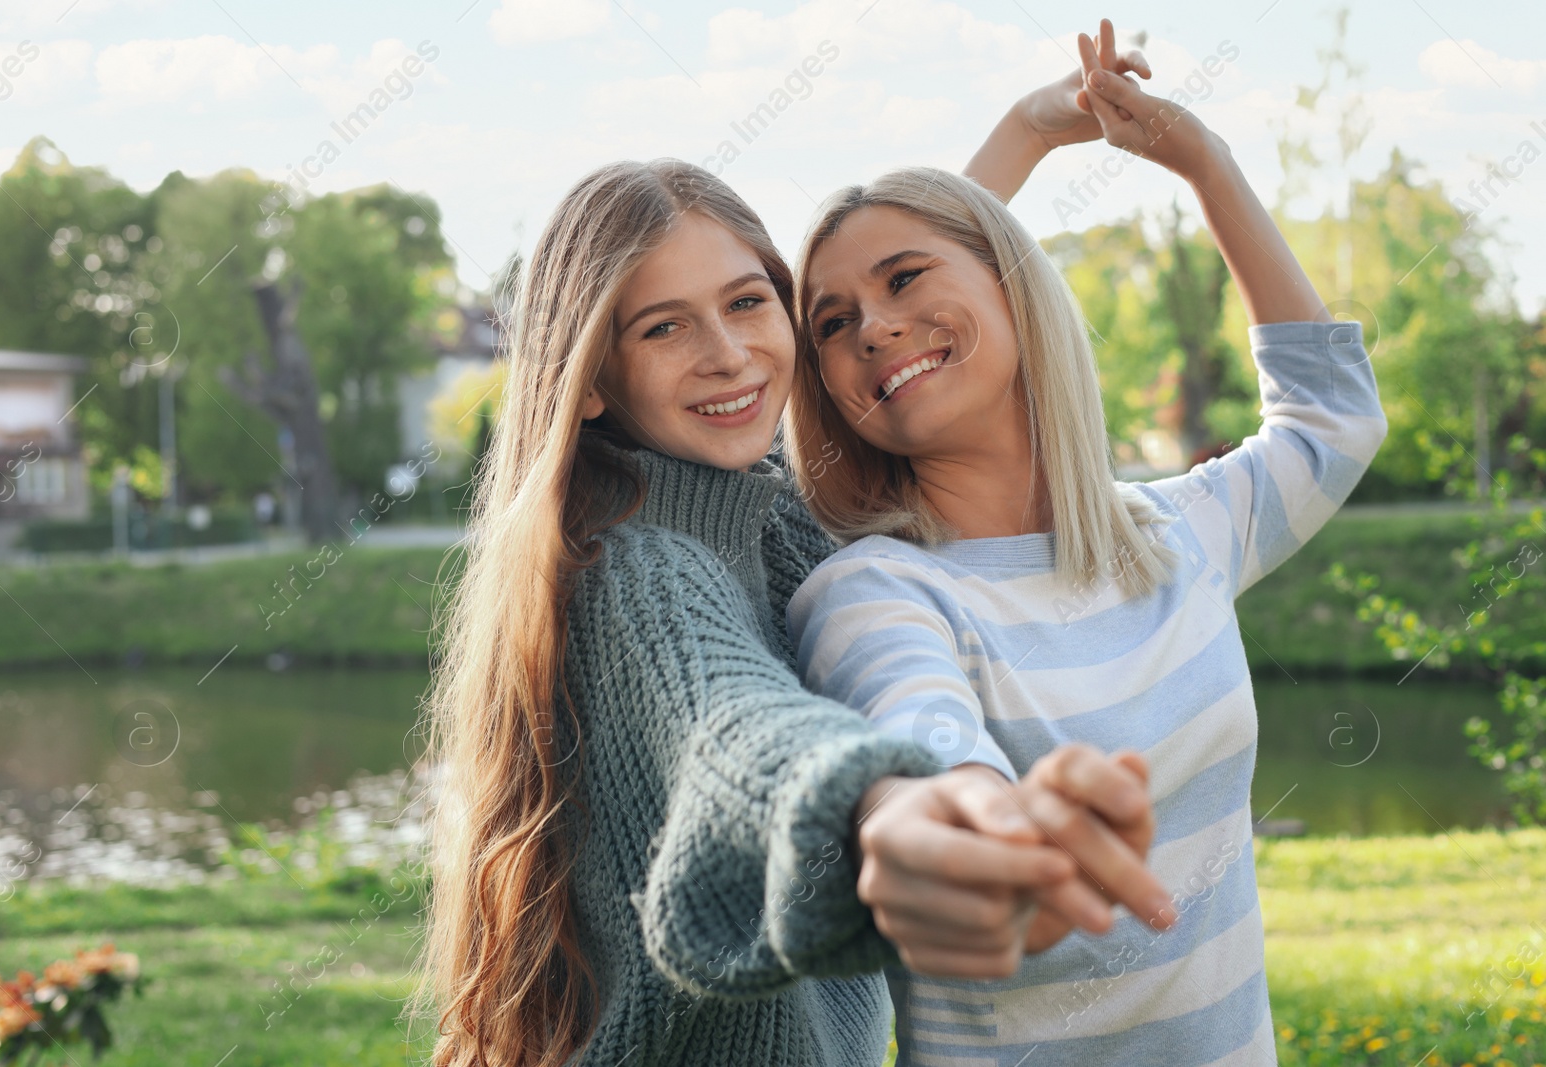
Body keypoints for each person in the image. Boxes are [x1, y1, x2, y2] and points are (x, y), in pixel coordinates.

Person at [415, 25, 1178, 1067]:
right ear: (590, 380)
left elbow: (889, 313)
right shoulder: (638, 567)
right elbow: (738, 732)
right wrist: (889, 808)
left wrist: (1021, 136)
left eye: (746, 301)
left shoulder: (762, 509)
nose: (729, 353)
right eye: (663, 328)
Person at [784, 30, 1388, 1065]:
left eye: (900, 280)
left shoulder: (1171, 535)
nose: (871, 330)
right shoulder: (873, 591)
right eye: (830, 323)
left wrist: (1201, 162)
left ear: (1014, 281)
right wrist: (977, 835)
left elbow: (1331, 416)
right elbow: (924, 745)